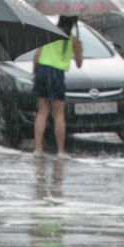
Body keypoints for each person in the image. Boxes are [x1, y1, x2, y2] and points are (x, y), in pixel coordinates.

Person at [32, 14, 82, 157]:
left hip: (42, 71)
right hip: (57, 74)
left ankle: (38, 149)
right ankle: (60, 150)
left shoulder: (48, 33)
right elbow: (79, 64)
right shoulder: (72, 40)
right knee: (59, 114)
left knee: (42, 112)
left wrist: (34, 72)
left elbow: (37, 55)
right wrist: (78, 47)